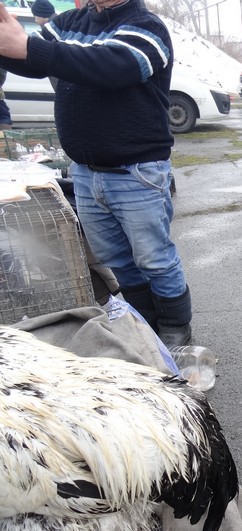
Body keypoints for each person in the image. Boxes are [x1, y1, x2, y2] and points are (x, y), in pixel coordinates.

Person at [0, 0, 194, 347]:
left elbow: (113, 66)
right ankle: (145, 326)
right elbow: (32, 58)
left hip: (137, 172)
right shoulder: (68, 23)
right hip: (86, 173)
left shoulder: (146, 26)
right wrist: (11, 46)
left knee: (155, 259)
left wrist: (29, 47)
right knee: (115, 259)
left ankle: (176, 328)